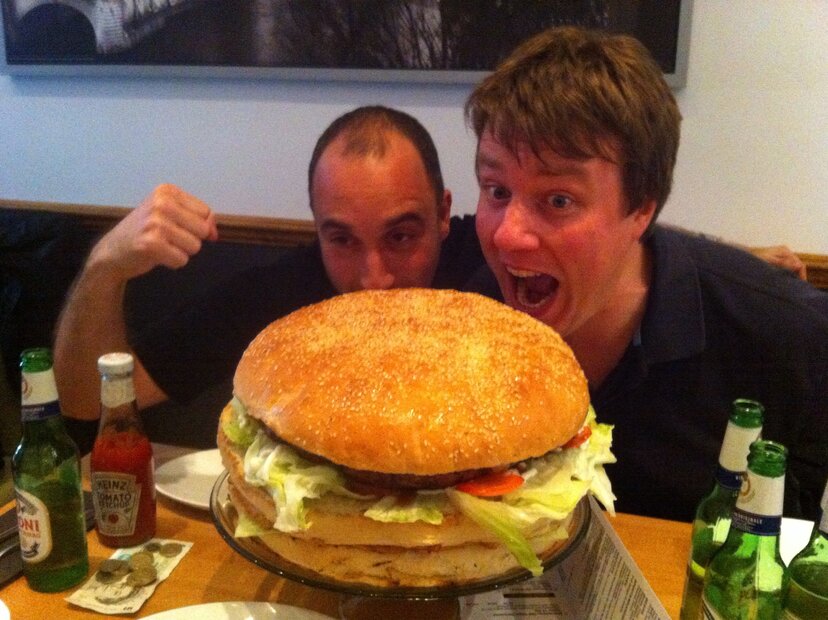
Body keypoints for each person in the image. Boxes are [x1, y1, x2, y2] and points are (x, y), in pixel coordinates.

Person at [462, 26, 828, 523]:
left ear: (641, 210)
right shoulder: (475, 319)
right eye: (497, 190)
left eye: (558, 200)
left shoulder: (786, 339)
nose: (507, 235)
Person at [53, 106, 483, 432]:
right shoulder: (279, 296)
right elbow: (88, 400)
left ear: (442, 214)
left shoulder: (494, 261)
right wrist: (104, 266)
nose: (375, 280)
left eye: (400, 237)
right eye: (342, 240)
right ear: (317, 226)